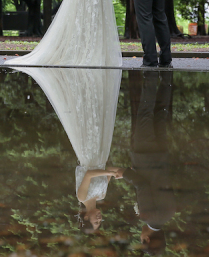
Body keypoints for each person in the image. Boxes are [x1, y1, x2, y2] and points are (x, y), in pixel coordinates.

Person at [11, 66, 124, 232]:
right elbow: (108, 170)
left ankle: (83, 81)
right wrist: (122, 172)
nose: (99, 219)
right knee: (100, 120)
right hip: (101, 155)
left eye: (95, 222)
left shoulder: (82, 196)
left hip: (88, 154)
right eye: (100, 222)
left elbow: (90, 174)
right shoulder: (102, 195)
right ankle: (96, 82)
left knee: (89, 122)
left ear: (86, 217)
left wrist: (111, 174)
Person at [115, 69, 178, 255]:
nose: (140, 236)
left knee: (160, 114)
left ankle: (166, 70)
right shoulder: (147, 217)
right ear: (147, 239)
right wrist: (124, 173)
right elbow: (142, 185)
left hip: (161, 156)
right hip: (145, 155)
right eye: (141, 239)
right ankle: (150, 72)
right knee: (145, 112)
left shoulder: (170, 213)